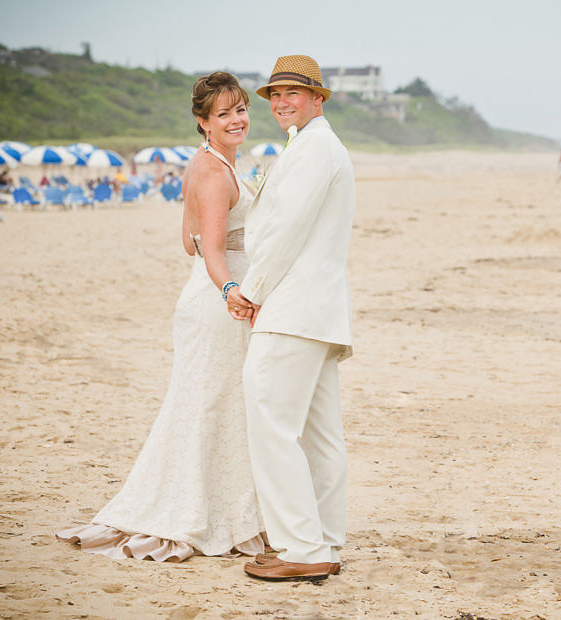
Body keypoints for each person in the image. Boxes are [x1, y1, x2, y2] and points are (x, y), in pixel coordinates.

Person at [57, 71, 268, 562]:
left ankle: (220, 508)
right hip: (220, 304)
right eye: (224, 114)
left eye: (241, 110)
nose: (237, 120)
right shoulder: (215, 172)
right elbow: (211, 249)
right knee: (216, 407)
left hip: (201, 297)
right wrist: (233, 285)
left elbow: (186, 242)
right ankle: (206, 515)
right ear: (203, 122)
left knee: (207, 406)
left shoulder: (205, 165)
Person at [235, 54, 355, 582]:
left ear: (317, 98)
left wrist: (252, 290)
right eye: (275, 96)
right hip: (318, 310)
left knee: (271, 421)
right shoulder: (310, 146)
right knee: (318, 434)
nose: (282, 103)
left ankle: (301, 548)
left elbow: (287, 231)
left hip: (294, 308)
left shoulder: (315, 149)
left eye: (293, 95)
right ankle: (323, 542)